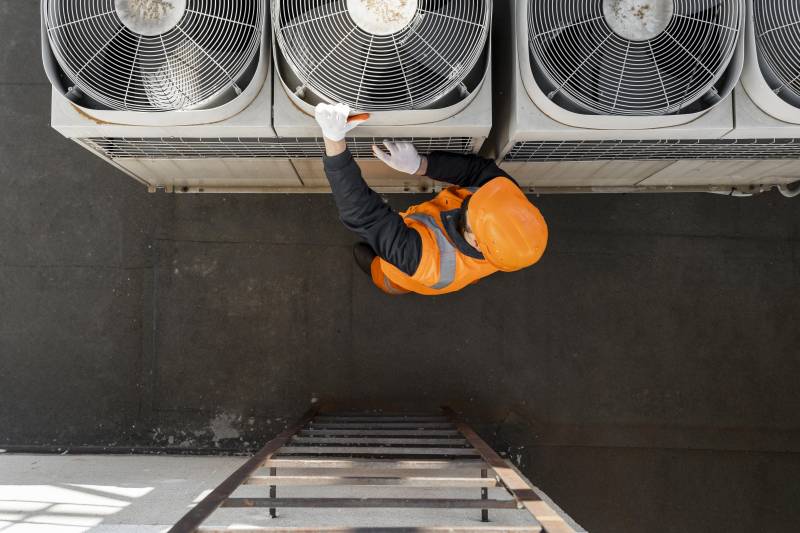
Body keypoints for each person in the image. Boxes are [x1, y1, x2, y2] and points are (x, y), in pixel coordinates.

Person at [315, 103, 548, 296]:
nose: (472, 197)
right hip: (428, 249)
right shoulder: (506, 200)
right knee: (384, 245)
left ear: (476, 242)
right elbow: (477, 171)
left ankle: (378, 273)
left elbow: (363, 215)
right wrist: (420, 165)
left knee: (388, 277)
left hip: (404, 272)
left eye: (472, 209)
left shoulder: (428, 262)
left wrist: (333, 140)